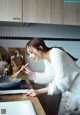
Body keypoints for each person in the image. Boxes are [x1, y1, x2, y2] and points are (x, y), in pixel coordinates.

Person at [22, 38, 80, 115]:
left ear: (40, 47)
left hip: (77, 93)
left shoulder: (56, 53)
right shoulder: (47, 58)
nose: (30, 56)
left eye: (31, 52)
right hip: (67, 92)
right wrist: (31, 73)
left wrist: (38, 91)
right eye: (29, 54)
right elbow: (49, 76)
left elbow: (60, 83)